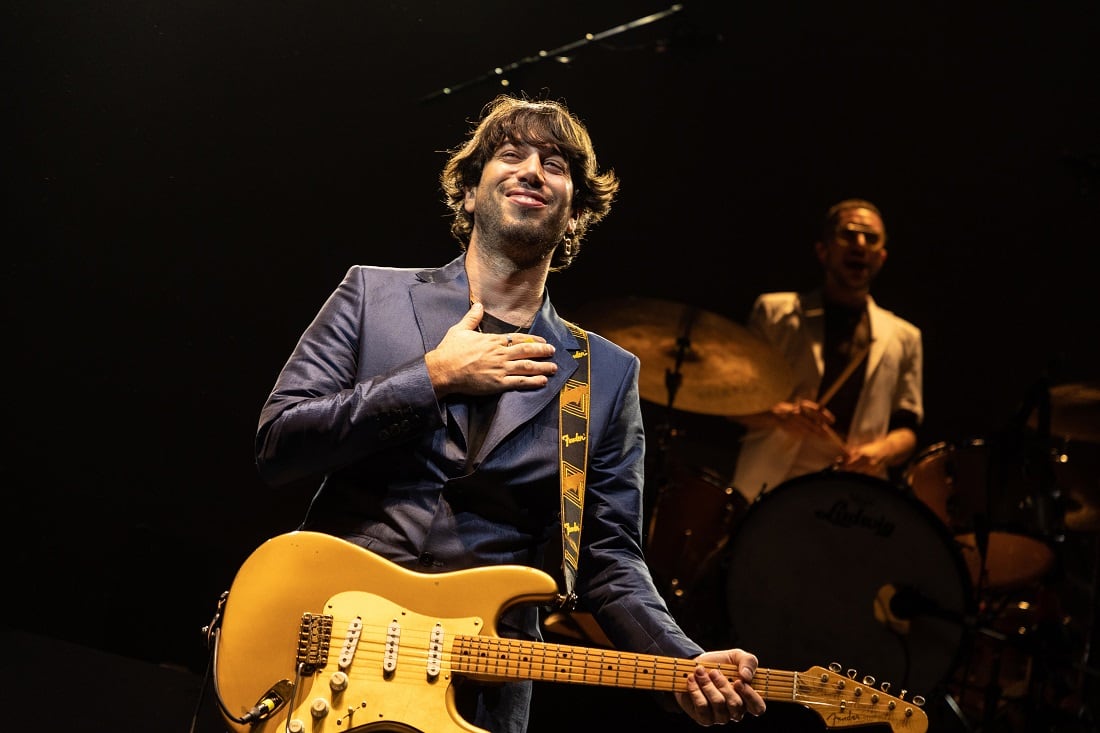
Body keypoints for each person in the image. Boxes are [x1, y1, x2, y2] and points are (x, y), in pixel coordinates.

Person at [254, 94, 766, 733]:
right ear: (468, 191)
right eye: (511, 153)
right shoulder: (371, 295)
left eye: (555, 164)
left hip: (479, 687)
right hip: (328, 639)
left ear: (575, 211)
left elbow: (608, 557)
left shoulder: (603, 375)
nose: (532, 170)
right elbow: (280, 443)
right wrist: (432, 377)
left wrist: (685, 660)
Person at [730, 198, 923, 500]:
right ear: (823, 250)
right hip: (768, 487)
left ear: (881, 257)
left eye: (871, 238)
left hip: (853, 496)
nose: (860, 244)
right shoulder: (775, 313)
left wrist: (880, 452)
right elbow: (733, 399)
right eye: (849, 234)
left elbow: (907, 428)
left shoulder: (905, 337)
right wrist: (783, 415)